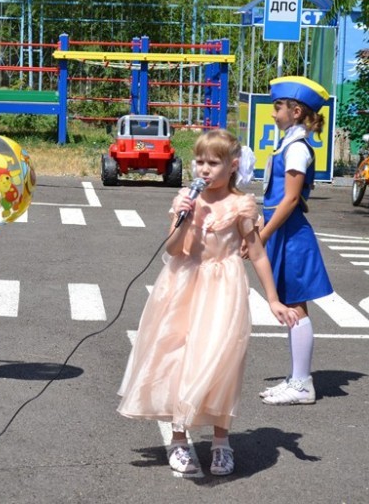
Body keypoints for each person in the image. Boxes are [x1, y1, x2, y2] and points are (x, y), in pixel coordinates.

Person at [117, 129, 299, 476]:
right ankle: (179, 439)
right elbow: (173, 249)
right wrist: (185, 218)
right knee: (178, 359)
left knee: (220, 362)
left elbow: (257, 253)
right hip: (183, 285)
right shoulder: (187, 200)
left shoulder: (241, 205)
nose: (204, 169)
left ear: (233, 166)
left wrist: (273, 300)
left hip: (223, 290)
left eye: (213, 163)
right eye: (199, 161)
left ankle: (221, 442)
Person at [258, 76, 335, 405]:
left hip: (290, 235)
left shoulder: (297, 149)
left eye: (279, 107)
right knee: (292, 306)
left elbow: (289, 199)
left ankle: (302, 384)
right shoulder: (290, 144)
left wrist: (262, 235)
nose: (274, 113)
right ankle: (297, 378)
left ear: (296, 111)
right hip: (284, 231)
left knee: (295, 308)